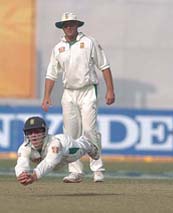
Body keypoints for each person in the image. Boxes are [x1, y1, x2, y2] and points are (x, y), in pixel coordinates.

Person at [41, 12, 115, 183]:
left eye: (72, 24)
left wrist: (110, 90)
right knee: (71, 133)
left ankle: (97, 169)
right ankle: (76, 172)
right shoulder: (58, 48)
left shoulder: (89, 42)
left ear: (77, 25)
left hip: (88, 90)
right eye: (66, 25)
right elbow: (51, 74)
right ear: (62, 27)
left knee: (89, 130)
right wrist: (46, 96)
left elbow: (104, 66)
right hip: (68, 92)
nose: (69, 27)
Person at [15, 116, 100, 185]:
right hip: (53, 161)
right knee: (55, 166)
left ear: (45, 131)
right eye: (30, 132)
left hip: (65, 149)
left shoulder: (54, 143)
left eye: (37, 131)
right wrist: (22, 175)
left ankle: (87, 144)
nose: (34, 135)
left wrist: (34, 176)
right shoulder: (24, 148)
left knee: (79, 151)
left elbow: (49, 162)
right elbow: (21, 163)